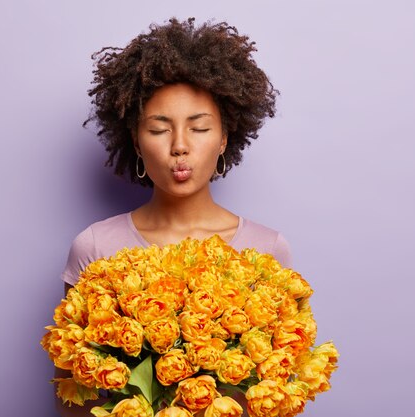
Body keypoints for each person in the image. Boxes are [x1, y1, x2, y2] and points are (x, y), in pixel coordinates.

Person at [54, 17, 292, 417]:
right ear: (135, 139)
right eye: (160, 128)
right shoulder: (94, 247)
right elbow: (75, 397)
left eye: (199, 128)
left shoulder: (268, 251)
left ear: (224, 138)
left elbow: (278, 397)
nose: (179, 147)